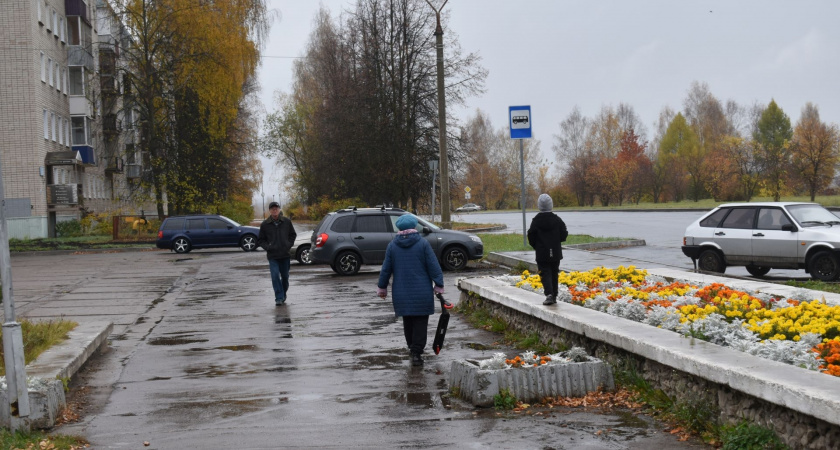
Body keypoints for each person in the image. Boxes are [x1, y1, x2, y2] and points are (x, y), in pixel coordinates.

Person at [377, 214, 445, 366]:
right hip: (422, 292)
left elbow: (386, 269)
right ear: (414, 227)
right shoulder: (423, 244)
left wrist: (382, 287)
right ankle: (417, 352)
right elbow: (433, 266)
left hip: (401, 293)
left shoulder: (392, 246)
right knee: (420, 322)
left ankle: (412, 349)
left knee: (408, 321)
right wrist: (438, 284)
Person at [527, 193, 568, 305]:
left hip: (542, 252)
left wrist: (536, 246)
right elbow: (564, 233)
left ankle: (549, 294)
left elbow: (531, 235)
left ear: (539, 206)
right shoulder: (557, 220)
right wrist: (557, 241)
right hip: (555, 251)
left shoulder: (536, 221)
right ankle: (554, 294)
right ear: (551, 205)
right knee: (554, 272)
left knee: (545, 273)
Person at [258, 201, 297, 306]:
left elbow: (293, 235)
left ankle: (283, 293)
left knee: (285, 277)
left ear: (279, 210)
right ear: (270, 211)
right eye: (272, 209)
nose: (274, 210)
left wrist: (288, 245)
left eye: (276, 208)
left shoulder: (286, 222)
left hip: (285, 255)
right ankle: (279, 298)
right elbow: (261, 240)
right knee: (275, 276)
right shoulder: (265, 224)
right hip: (273, 256)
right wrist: (268, 247)